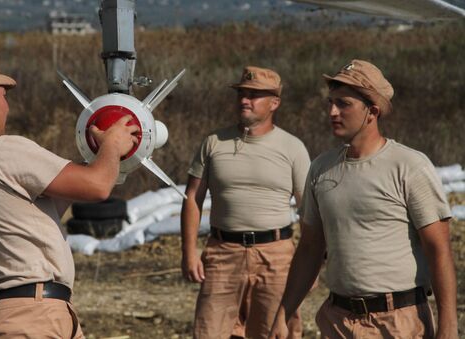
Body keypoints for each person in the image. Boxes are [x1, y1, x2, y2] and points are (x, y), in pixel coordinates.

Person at [0, 55, 139, 338]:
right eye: (3, 97)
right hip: (31, 316)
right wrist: (113, 145)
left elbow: (32, 215)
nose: (7, 107)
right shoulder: (2, 151)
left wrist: (96, 158)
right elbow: (98, 186)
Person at [269, 60, 457, 339]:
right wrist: (283, 314)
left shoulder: (408, 166)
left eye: (344, 104)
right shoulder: (321, 168)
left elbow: (438, 250)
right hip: (338, 321)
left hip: (398, 323)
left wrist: (448, 328)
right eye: (331, 103)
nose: (332, 112)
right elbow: (310, 248)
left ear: (372, 111)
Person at [181, 66, 310, 339]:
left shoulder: (293, 147)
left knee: (276, 332)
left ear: (275, 103)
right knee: (209, 331)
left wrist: (308, 266)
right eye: (241, 94)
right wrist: (189, 252)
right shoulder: (213, 143)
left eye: (254, 95)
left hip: (276, 257)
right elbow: (193, 197)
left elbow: (308, 210)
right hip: (222, 254)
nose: (244, 100)